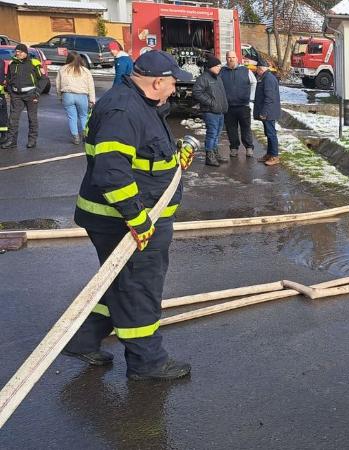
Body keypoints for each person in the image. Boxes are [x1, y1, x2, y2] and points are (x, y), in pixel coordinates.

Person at [62, 50, 195, 381]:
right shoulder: (124, 111)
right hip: (125, 223)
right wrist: (137, 219)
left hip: (124, 219)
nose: (175, 89)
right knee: (139, 287)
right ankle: (147, 362)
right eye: (173, 82)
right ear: (157, 82)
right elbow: (112, 172)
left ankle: (83, 339)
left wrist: (173, 160)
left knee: (119, 282)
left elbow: (141, 156)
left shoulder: (139, 104)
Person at [1, 44, 42, 149]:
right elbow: (9, 79)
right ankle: (11, 141)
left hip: (31, 95)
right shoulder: (12, 64)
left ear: (25, 53)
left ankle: (32, 141)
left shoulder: (34, 63)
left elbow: (43, 79)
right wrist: (11, 91)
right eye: (16, 51)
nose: (17, 53)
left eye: (19, 51)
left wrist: (37, 92)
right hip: (16, 96)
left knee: (32, 118)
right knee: (13, 119)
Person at [193, 54, 229, 166]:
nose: (220, 68)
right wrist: (211, 102)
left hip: (220, 111)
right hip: (210, 112)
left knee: (217, 134)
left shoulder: (218, 78)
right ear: (211, 66)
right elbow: (197, 92)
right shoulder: (204, 78)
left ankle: (215, 152)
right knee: (212, 134)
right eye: (218, 66)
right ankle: (209, 157)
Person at [220, 50, 256, 158]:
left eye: (233, 57)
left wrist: (251, 98)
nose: (231, 59)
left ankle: (249, 147)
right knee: (231, 129)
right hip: (229, 106)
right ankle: (234, 148)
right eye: (229, 58)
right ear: (226, 59)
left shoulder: (245, 70)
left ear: (237, 58)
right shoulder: (222, 71)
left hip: (243, 105)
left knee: (246, 127)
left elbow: (254, 82)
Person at [56, 51, 96, 144]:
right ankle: (85, 135)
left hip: (67, 95)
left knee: (72, 117)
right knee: (84, 116)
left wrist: (59, 96)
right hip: (82, 95)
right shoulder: (85, 70)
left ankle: (76, 137)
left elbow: (58, 84)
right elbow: (91, 86)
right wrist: (92, 100)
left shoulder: (62, 69)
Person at [253, 59, 281, 166]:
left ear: (261, 69)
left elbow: (269, 98)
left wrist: (264, 112)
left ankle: (274, 156)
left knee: (271, 134)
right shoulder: (266, 77)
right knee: (269, 134)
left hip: (269, 112)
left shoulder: (268, 79)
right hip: (269, 111)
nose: (256, 71)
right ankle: (269, 154)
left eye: (257, 69)